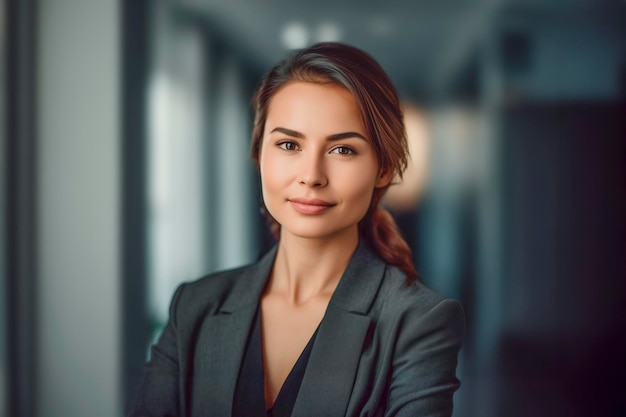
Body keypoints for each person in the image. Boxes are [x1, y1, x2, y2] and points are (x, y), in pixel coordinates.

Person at [129, 42, 464, 417]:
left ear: (383, 168)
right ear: (259, 154)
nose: (311, 176)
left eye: (342, 150)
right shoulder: (194, 307)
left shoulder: (418, 321)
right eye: (289, 144)